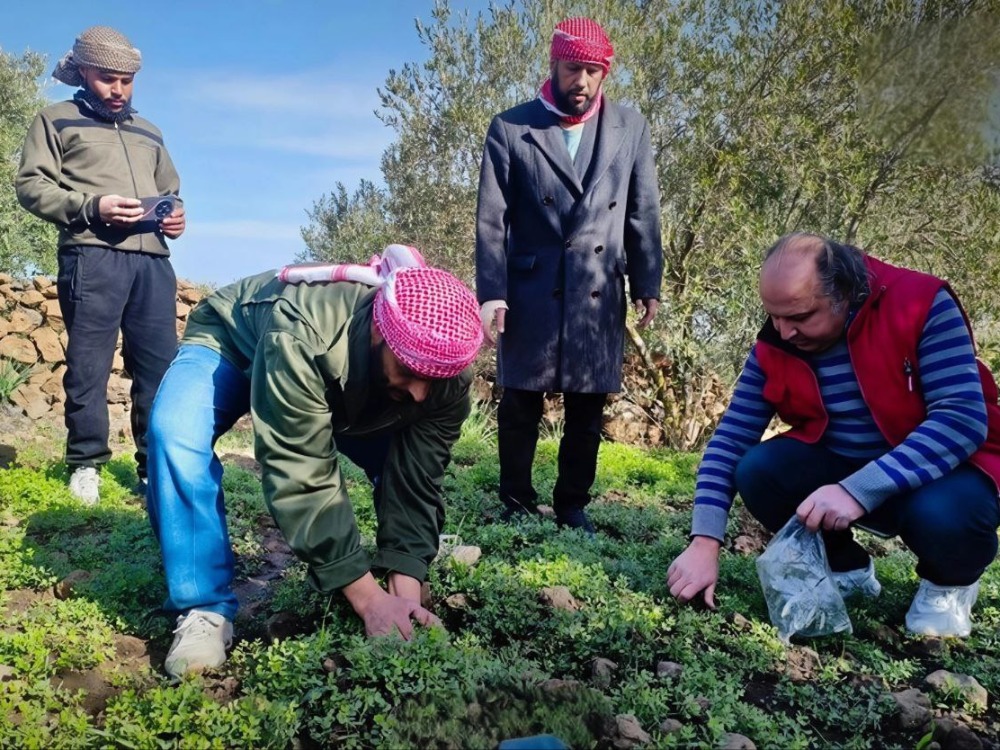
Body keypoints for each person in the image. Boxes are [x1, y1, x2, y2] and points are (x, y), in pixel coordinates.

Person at [145, 245, 483, 678]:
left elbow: (417, 477)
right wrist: (368, 600)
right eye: (410, 370)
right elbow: (300, 466)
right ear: (381, 333)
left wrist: (406, 590)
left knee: (396, 458)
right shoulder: (302, 334)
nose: (420, 392)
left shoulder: (444, 379)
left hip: (344, 377)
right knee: (174, 432)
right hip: (234, 343)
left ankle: (413, 559)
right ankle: (203, 608)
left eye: (432, 380)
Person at [668, 232, 1000, 637]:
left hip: (942, 475)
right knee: (759, 469)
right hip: (844, 464)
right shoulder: (776, 341)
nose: (784, 332)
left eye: (801, 317)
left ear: (844, 292)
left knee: (945, 515)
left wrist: (857, 490)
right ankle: (847, 567)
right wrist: (705, 540)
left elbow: (962, 419)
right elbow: (731, 439)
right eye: (774, 316)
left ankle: (949, 583)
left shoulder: (921, 303)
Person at [475, 17, 663, 533]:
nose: (580, 80)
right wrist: (491, 295)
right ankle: (515, 499)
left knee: (587, 405)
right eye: (571, 67)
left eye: (591, 70)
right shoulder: (511, 127)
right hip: (530, 289)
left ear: (605, 72)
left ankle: (571, 505)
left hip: (597, 291)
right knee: (519, 403)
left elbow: (642, 212)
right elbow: (492, 221)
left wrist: (648, 283)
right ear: (553, 65)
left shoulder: (631, 127)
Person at [16, 26, 185, 504]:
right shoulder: (55, 120)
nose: (119, 90)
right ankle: (86, 463)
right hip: (90, 253)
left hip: (152, 260)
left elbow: (170, 190)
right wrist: (93, 207)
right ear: (84, 72)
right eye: (108, 79)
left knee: (158, 368)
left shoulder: (150, 131)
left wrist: (174, 217)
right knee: (88, 365)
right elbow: (31, 185)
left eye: (127, 81)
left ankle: (155, 469)